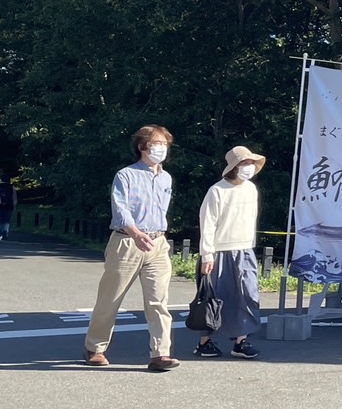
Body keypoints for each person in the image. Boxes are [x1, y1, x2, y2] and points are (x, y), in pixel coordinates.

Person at [83, 125, 180, 370]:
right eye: (157, 143)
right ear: (142, 147)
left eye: (165, 144)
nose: (161, 148)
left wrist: (156, 236)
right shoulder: (125, 175)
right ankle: (95, 347)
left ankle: (160, 354)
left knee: (159, 301)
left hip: (157, 243)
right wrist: (135, 233)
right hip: (126, 242)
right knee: (110, 298)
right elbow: (121, 208)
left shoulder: (166, 177)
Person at [195, 145, 266, 359]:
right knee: (214, 298)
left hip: (244, 249)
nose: (249, 167)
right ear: (233, 167)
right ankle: (204, 342)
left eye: (251, 164)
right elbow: (207, 223)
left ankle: (241, 341)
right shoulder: (217, 190)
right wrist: (207, 254)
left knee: (247, 295)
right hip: (219, 252)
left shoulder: (251, 189)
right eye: (244, 163)